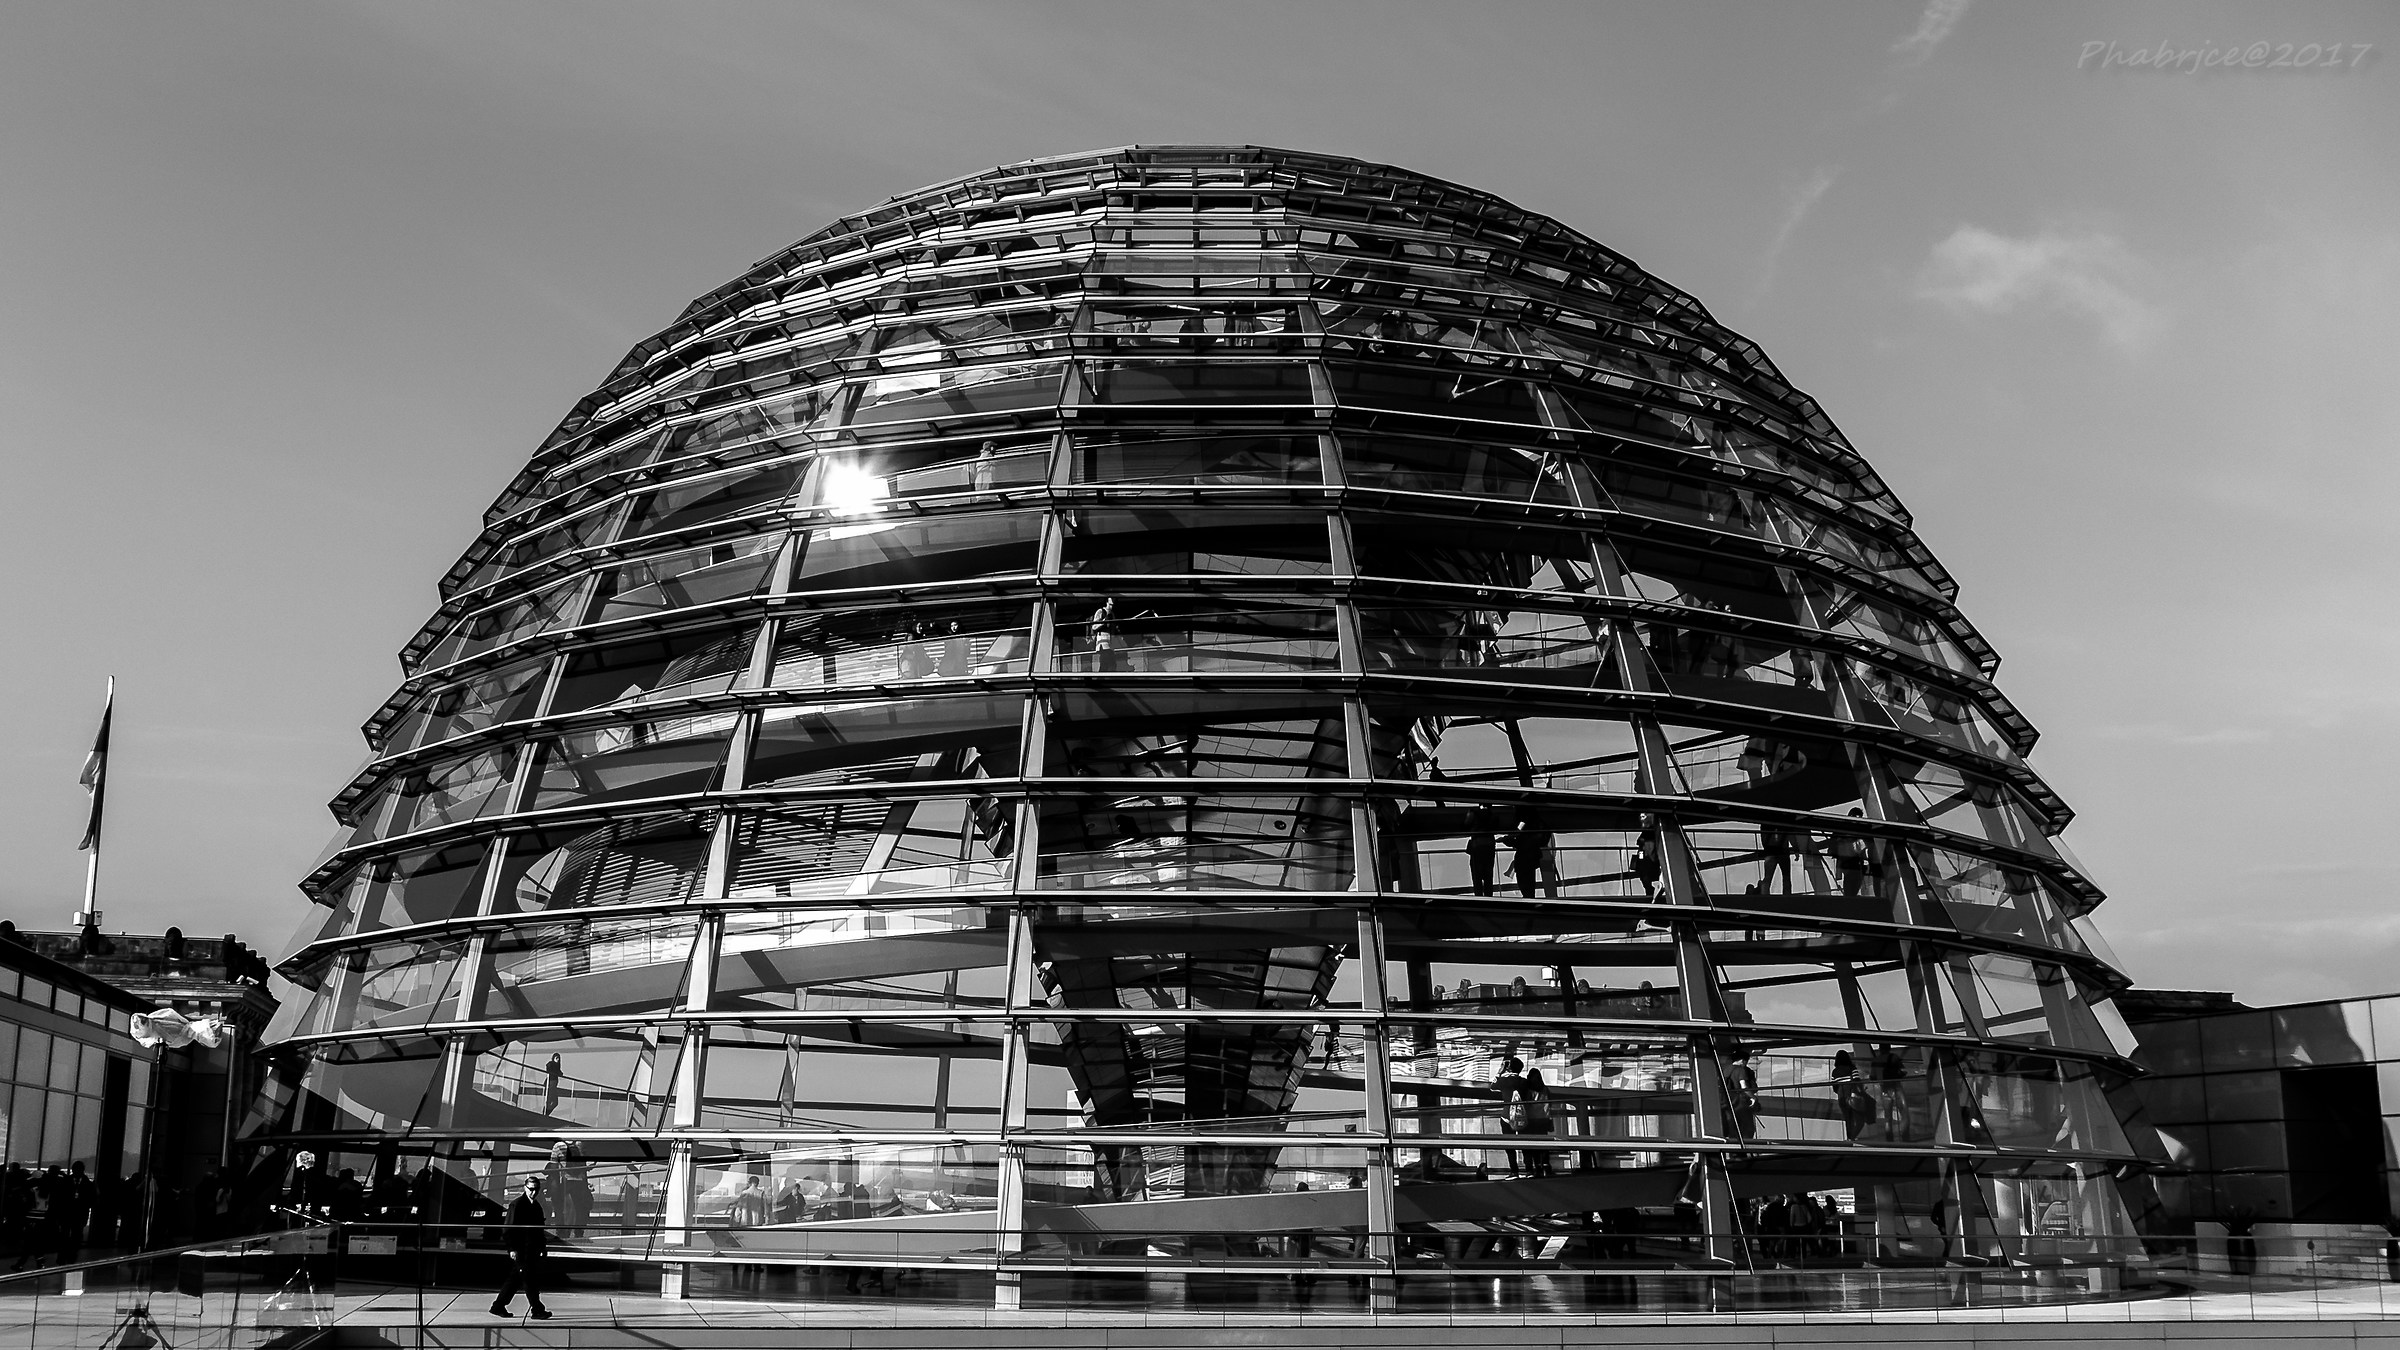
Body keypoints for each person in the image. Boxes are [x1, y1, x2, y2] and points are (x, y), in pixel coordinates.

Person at [491, 1177, 554, 1320]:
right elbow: (508, 1229)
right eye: (531, 1189)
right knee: (528, 1279)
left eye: (536, 1189)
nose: (533, 1192)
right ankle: (537, 1309)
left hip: (531, 1249)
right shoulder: (517, 1205)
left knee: (516, 1279)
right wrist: (512, 1248)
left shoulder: (536, 1206)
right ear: (525, 1188)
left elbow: (539, 1230)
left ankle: (498, 1306)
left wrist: (542, 1247)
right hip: (521, 1249)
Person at [1464, 807, 1500, 897]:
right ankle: (1488, 897)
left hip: (1477, 847)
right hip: (1488, 847)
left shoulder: (1473, 813)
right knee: (1488, 877)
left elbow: (1465, 825)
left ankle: (1479, 897)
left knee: (1477, 877)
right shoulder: (1491, 815)